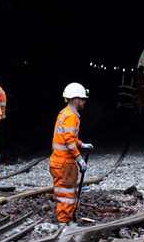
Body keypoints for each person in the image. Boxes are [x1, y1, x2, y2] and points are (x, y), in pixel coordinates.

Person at [49, 82, 94, 223]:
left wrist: (81, 144)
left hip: (60, 161)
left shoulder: (65, 113)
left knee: (64, 192)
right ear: (75, 99)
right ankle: (64, 222)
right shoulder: (70, 116)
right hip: (64, 163)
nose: (84, 102)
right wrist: (79, 159)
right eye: (82, 99)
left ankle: (64, 220)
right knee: (66, 195)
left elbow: (69, 138)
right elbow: (68, 140)